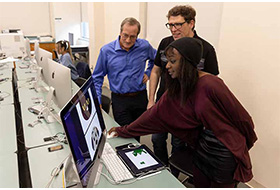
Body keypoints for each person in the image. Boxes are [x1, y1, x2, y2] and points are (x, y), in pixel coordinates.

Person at [108, 37, 257, 188]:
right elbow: (153, 115)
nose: (167, 66)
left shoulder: (212, 84)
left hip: (224, 154)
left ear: (186, 62)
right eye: (167, 60)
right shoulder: (178, 87)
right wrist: (124, 130)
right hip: (201, 149)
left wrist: (241, 149)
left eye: (173, 61)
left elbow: (243, 120)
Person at [148, 5, 219, 168]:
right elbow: (155, 71)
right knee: (156, 139)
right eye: (170, 25)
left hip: (186, 109)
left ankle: (173, 175)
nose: (173, 29)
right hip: (163, 103)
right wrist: (151, 100)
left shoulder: (206, 49)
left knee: (178, 144)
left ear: (191, 23)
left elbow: (211, 82)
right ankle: (162, 168)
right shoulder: (165, 43)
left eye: (178, 24)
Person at [92, 17, 156, 142]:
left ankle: (133, 157)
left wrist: (148, 72)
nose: (128, 40)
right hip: (120, 100)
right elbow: (97, 77)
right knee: (124, 134)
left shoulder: (144, 46)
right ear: (120, 32)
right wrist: (97, 100)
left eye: (132, 37)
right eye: (125, 35)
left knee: (137, 132)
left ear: (137, 35)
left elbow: (156, 59)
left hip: (140, 97)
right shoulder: (106, 51)